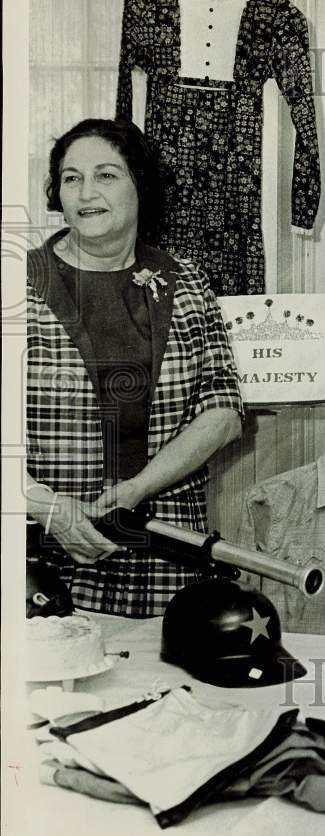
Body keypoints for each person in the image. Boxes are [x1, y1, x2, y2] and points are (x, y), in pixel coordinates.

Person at [25, 118, 244, 617]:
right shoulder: (17, 286)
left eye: (106, 175)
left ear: (139, 184)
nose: (86, 192)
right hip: (47, 559)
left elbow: (224, 411)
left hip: (168, 555)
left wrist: (140, 487)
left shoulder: (186, 280)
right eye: (71, 178)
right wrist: (46, 507)